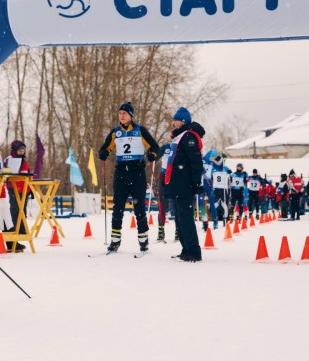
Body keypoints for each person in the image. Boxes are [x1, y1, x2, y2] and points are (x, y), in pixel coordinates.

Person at [99, 101, 160, 253]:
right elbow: (105, 147)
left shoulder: (140, 130)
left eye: (124, 113)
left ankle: (143, 240)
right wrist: (104, 153)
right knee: (117, 208)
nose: (122, 116)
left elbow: (155, 147)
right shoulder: (115, 132)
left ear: (131, 115)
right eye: (120, 113)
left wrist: (152, 154)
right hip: (121, 174)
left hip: (137, 172)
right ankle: (115, 241)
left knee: (139, 208)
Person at [163, 106, 205, 262]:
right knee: (179, 220)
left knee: (186, 219)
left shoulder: (189, 137)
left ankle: (194, 251)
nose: (172, 123)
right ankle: (185, 249)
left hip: (184, 185)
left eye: (175, 120)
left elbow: (196, 162)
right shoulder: (179, 137)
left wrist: (196, 182)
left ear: (182, 122)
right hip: (177, 184)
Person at [4, 139, 31, 250]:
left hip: (24, 189)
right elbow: (6, 172)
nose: (22, 153)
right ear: (14, 151)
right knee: (14, 210)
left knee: (22, 210)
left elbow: (27, 174)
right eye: (19, 151)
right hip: (13, 188)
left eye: (23, 151)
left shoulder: (24, 161)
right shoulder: (8, 160)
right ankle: (14, 233)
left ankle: (20, 231)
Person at [210, 154, 231, 225]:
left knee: (224, 203)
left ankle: (225, 217)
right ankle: (215, 217)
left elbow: (221, 162)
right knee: (215, 203)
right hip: (216, 187)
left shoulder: (224, 168)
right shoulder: (214, 168)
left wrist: (219, 157)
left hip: (223, 188)